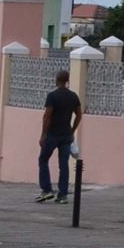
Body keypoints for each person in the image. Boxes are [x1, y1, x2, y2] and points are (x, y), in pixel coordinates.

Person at [37, 69, 81, 202]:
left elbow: (47, 116)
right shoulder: (73, 96)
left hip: (52, 134)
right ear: (67, 80)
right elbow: (79, 114)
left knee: (43, 160)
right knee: (64, 165)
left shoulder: (52, 96)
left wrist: (43, 134)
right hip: (66, 135)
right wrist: (72, 130)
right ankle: (62, 195)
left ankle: (46, 190)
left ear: (57, 80)